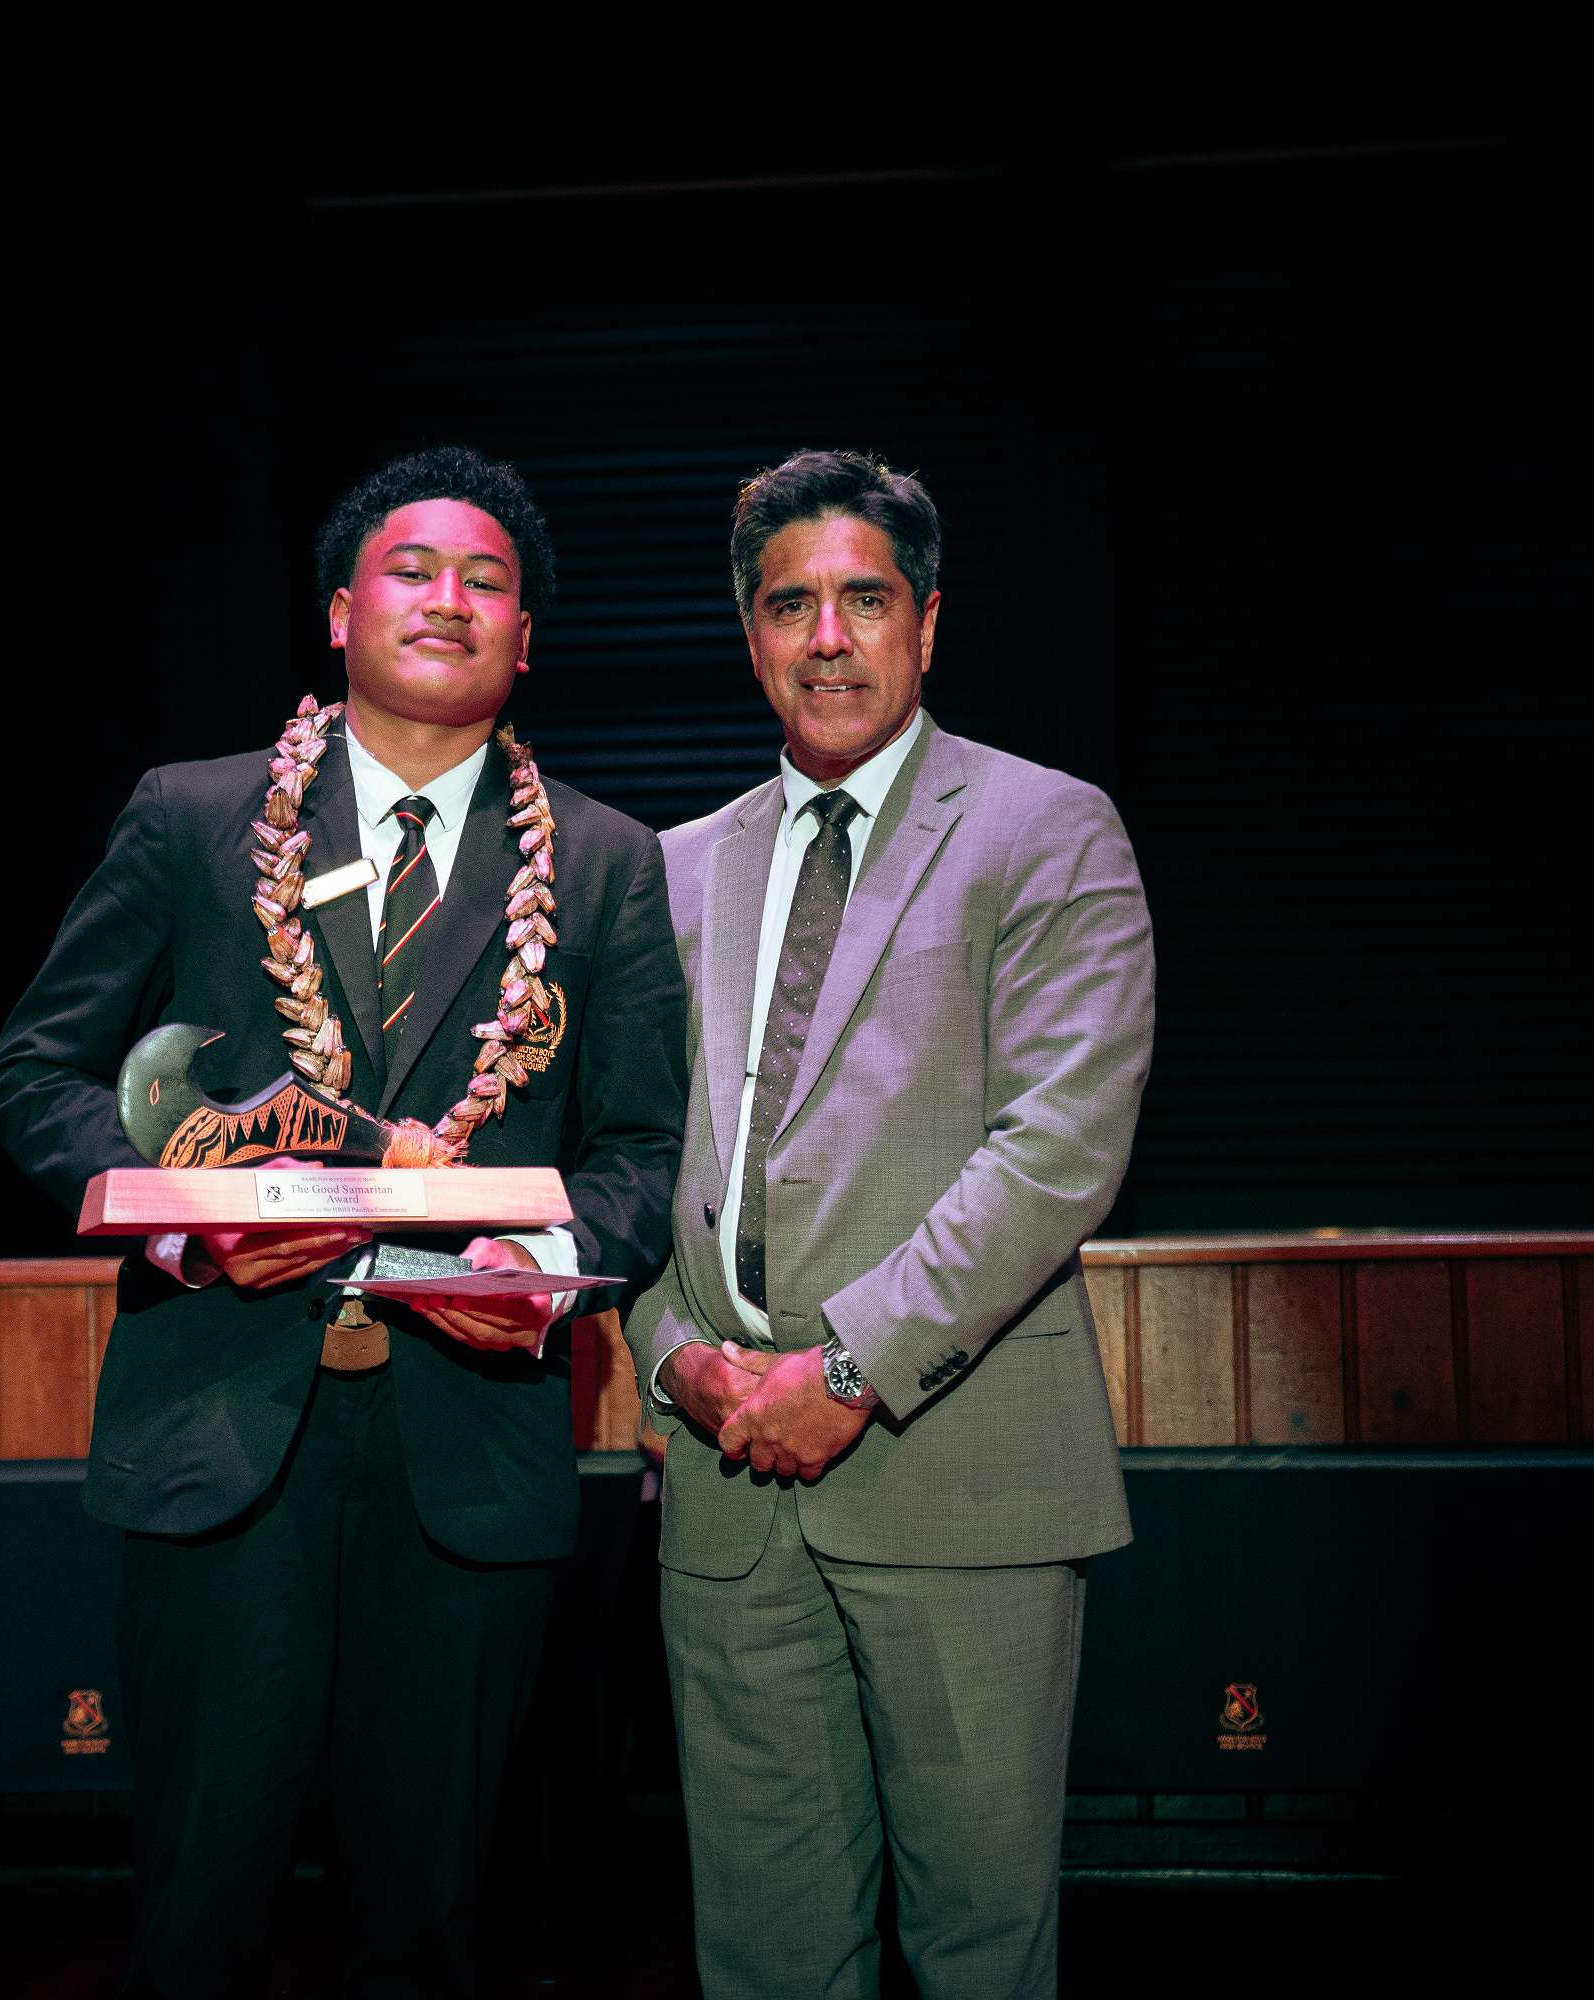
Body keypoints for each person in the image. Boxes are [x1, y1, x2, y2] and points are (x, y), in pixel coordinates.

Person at [0, 445, 687, 1998]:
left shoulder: (605, 863)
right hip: (220, 1442)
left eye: (488, 581)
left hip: (469, 1460)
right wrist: (187, 1222)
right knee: (197, 1925)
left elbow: (642, 1148)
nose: (450, 598)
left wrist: (544, 1269)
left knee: (429, 1929)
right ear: (339, 613)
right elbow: (36, 1071)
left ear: (525, 640)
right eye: (412, 568)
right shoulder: (193, 817)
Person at [624, 449, 1154, 1999]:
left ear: (927, 620)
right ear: (751, 637)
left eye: (865, 599)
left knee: (982, 1950)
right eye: (791, 605)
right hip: (727, 1493)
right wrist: (671, 1357)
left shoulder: (1046, 827)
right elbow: (626, 1167)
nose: (829, 638)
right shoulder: (669, 872)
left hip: (960, 1482)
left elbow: (1055, 1150)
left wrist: (848, 1369)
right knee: (767, 1958)